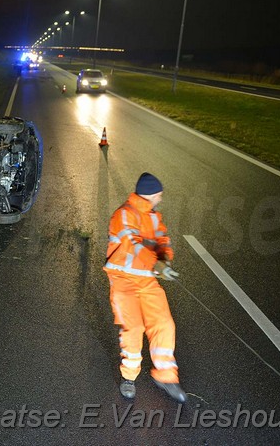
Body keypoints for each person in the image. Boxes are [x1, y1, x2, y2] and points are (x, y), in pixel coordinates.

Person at [103, 172, 187, 403]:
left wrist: (166, 259)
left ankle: (166, 377)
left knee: (164, 324)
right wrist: (157, 265)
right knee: (133, 328)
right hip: (123, 279)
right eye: (158, 195)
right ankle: (128, 377)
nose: (160, 199)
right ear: (150, 195)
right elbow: (133, 245)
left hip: (147, 280)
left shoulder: (153, 217)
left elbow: (162, 240)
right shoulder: (124, 215)